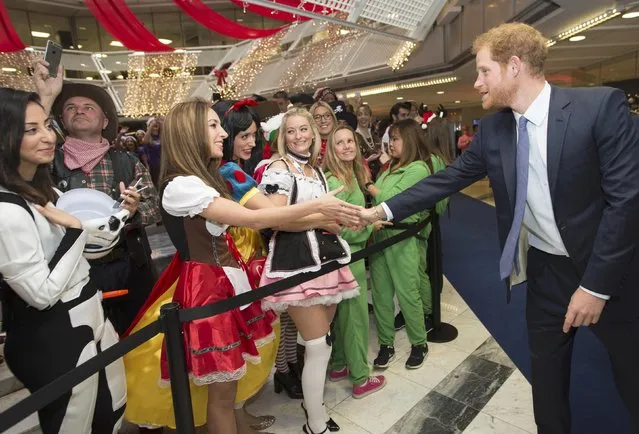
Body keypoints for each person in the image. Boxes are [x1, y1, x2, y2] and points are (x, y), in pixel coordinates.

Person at [359, 22, 639, 433]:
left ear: (514, 66)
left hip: (610, 273)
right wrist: (381, 210)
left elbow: (626, 201)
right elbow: (444, 181)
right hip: (547, 274)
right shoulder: (495, 130)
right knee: (546, 380)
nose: (476, 83)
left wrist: (596, 286)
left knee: (631, 374)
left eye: (483, 71)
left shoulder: (599, 108)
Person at [123, 98, 359, 434]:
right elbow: (255, 217)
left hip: (227, 282)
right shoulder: (182, 186)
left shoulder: (201, 179)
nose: (224, 134)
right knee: (220, 394)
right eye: (213, 126)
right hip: (208, 291)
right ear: (189, 133)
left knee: (229, 385)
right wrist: (320, 206)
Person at [0, 87, 126, 433]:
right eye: (32, 129)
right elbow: (40, 294)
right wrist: (75, 231)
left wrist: (109, 224)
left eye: (47, 125)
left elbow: (83, 247)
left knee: (111, 412)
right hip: (56, 335)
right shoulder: (6, 210)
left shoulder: (44, 190)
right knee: (74, 424)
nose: (49, 137)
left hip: (91, 317)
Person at [33, 59, 162, 336]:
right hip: (69, 271)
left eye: (88, 107)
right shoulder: (46, 163)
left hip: (126, 265)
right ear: (62, 121)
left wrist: (135, 209)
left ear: (105, 121)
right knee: (83, 343)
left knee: (137, 337)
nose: (79, 111)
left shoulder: (128, 162)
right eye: (71, 108)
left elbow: (154, 209)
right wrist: (45, 96)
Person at [258, 107, 360, 434]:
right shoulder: (277, 168)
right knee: (318, 345)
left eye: (304, 130)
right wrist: (323, 218)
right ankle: (315, 422)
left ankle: (313, 404)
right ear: (282, 137)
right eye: (292, 131)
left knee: (316, 342)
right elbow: (275, 219)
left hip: (326, 260)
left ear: (314, 134)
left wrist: (344, 220)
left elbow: (327, 221)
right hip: (296, 262)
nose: (299, 136)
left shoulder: (314, 171)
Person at [323, 125, 387, 398]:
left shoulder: (348, 175)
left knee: (343, 317)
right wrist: (370, 227)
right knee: (356, 319)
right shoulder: (337, 180)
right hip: (349, 257)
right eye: (340, 142)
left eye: (350, 141)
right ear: (332, 149)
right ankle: (360, 378)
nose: (347, 146)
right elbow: (337, 226)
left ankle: (339, 364)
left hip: (346, 257)